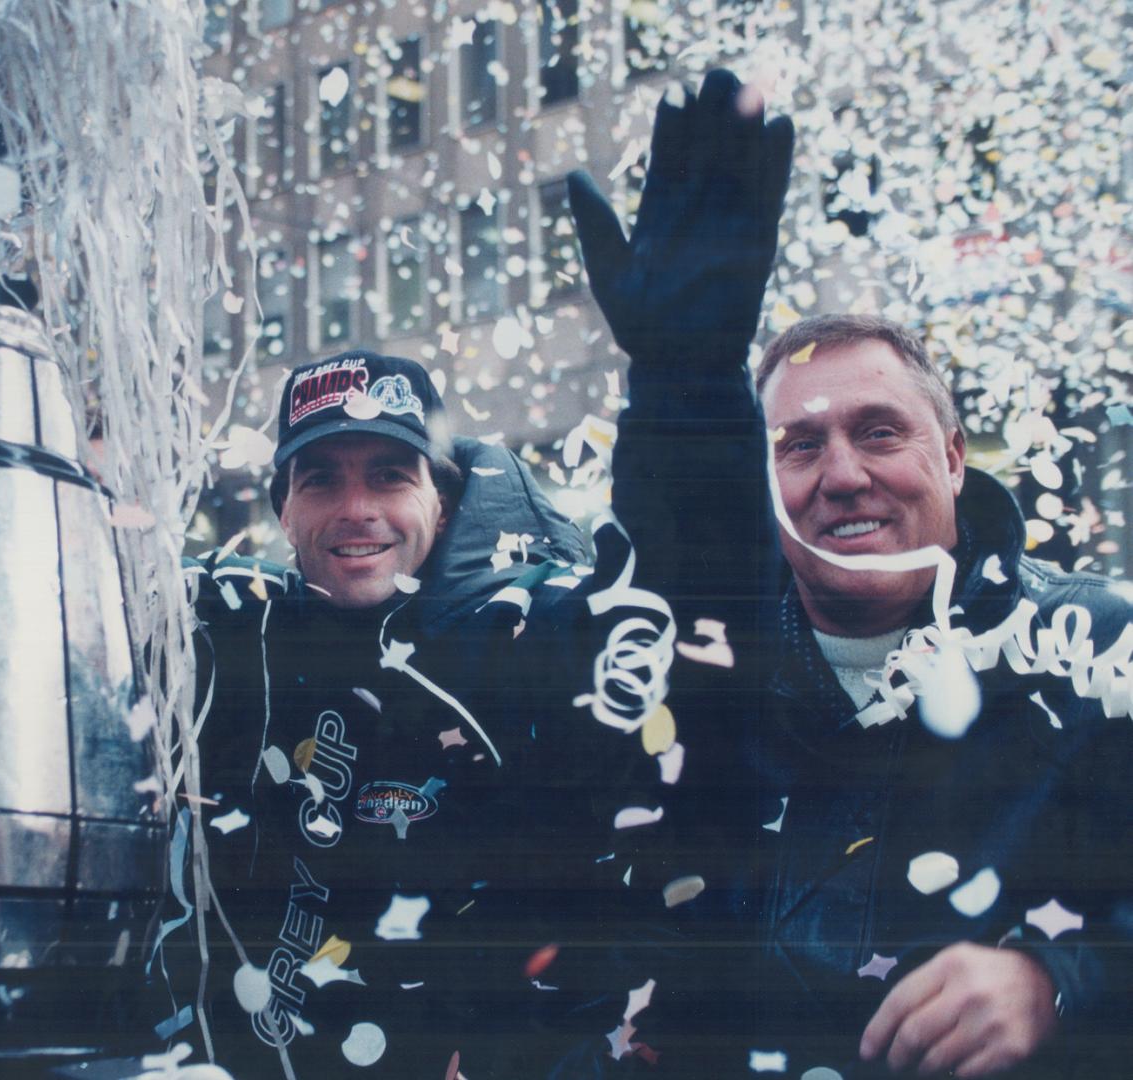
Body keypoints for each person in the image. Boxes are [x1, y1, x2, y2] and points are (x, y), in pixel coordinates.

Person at [157, 70, 791, 1078]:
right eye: (319, 479)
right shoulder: (233, 641)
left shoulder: (532, 637)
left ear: (441, 499)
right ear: (281, 510)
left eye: (388, 475)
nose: (355, 508)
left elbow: (709, 664)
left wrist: (689, 390)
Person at [712, 313, 1133, 1077]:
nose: (841, 476)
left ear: (953, 456)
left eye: (878, 433)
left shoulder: (1103, 649)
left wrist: (1058, 982)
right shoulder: (702, 679)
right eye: (799, 446)